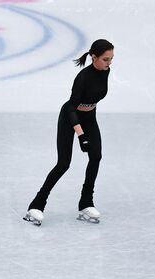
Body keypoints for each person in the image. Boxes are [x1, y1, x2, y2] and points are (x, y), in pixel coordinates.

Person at [24, 39, 114, 225]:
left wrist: (86, 129)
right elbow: (72, 107)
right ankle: (36, 205)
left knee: (96, 157)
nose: (109, 63)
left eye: (111, 59)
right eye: (105, 59)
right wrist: (81, 135)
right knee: (64, 163)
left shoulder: (106, 72)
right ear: (93, 57)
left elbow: (92, 100)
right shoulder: (83, 77)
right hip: (70, 118)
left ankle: (86, 202)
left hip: (89, 118)